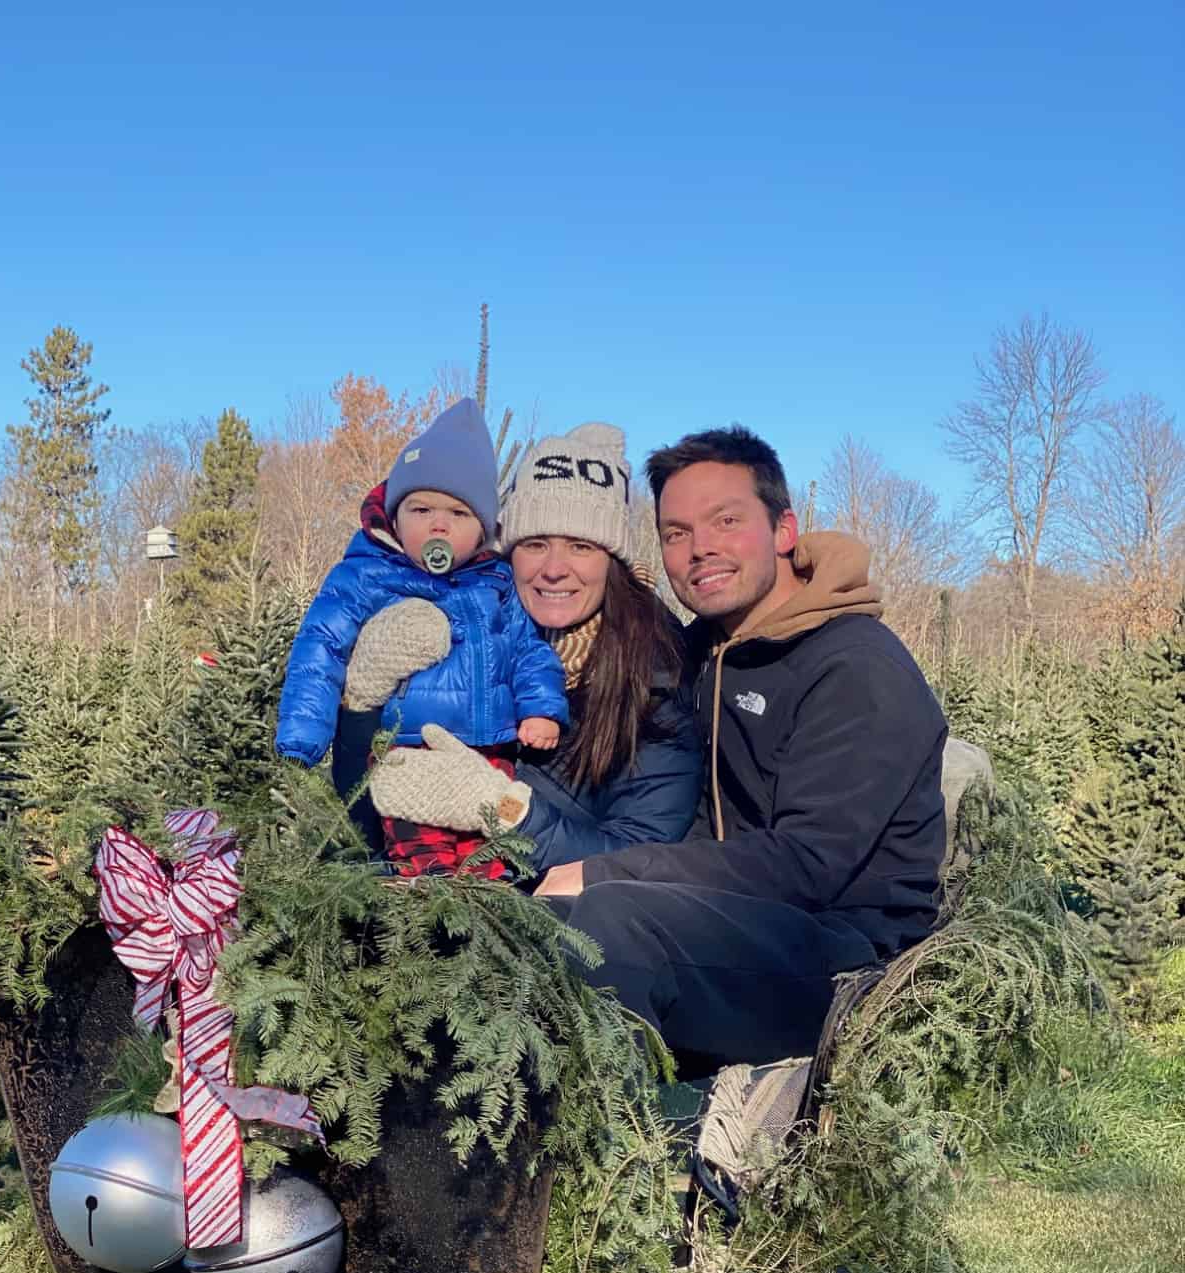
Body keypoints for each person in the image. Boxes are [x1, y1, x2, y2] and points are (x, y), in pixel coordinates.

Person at [533, 425, 947, 1071]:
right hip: (725, 923)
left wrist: (603, 872)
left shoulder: (855, 666)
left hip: (843, 954)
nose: (700, 549)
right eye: (676, 533)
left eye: (725, 521)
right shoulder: (699, 653)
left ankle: (589, 1147)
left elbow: (809, 863)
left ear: (784, 530)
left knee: (609, 924)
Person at [365, 422, 705, 873]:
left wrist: (506, 809)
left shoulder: (658, 681)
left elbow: (637, 858)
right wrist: (360, 697)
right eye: (536, 544)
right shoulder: (458, 637)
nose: (554, 569)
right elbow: (359, 808)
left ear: (612, 563)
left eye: (581, 546)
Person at [274, 397, 568, 876]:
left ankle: (485, 900)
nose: (438, 524)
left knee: (487, 850)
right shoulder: (366, 575)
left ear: (482, 529)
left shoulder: (495, 583)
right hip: (403, 749)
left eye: (458, 513)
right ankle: (424, 896)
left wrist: (542, 708)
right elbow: (319, 649)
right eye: (422, 508)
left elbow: (529, 650)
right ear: (393, 516)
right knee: (420, 847)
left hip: (485, 751)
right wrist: (302, 738)